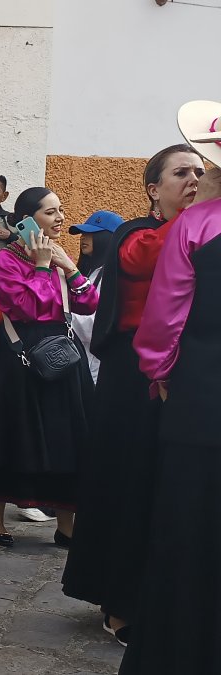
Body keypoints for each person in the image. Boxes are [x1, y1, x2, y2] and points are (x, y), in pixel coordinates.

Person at [61, 143, 203, 645]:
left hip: (187, 377)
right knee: (130, 482)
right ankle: (118, 602)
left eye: (201, 172)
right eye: (182, 173)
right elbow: (155, 256)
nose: (194, 180)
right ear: (152, 189)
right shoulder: (137, 235)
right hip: (132, 379)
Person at [122, 103, 221, 673]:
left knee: (188, 528)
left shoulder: (194, 226)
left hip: (202, 400)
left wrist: (159, 372)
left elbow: (165, 320)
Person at [0, 187, 98, 546]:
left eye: (61, 210)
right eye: (51, 212)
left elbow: (89, 303)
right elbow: (25, 307)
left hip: (61, 357)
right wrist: (40, 266)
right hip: (16, 357)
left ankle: (66, 525)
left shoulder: (60, 255)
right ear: (25, 220)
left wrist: (68, 268)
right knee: (8, 437)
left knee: (68, 440)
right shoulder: (4, 260)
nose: (60, 219)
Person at [67, 210, 123, 382]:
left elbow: (98, 325)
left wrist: (62, 318)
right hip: (81, 359)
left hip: (97, 367)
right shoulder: (88, 271)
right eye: (83, 233)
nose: (83, 238)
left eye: (91, 234)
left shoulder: (113, 274)